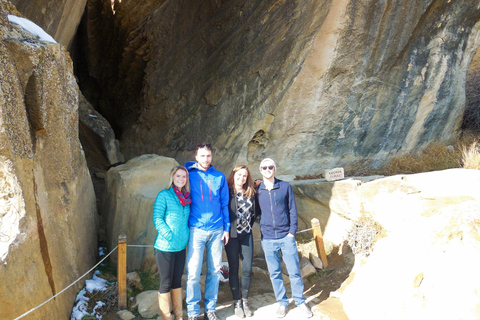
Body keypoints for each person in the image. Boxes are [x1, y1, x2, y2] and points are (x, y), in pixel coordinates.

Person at [256, 158, 313, 318]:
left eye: (271, 167)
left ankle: (300, 301)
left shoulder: (285, 186)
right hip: (267, 238)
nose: (268, 169)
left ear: (275, 169)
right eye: (264, 167)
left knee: (294, 271)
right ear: (260, 170)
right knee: (274, 273)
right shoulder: (257, 190)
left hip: (286, 236)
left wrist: (291, 232)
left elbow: (293, 210)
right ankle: (282, 303)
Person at [185, 144, 230, 320]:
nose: (206, 159)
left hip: (217, 229)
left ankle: (210, 309)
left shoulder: (219, 177)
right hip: (196, 229)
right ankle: (193, 311)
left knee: (214, 271)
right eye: (202, 156)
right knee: (193, 272)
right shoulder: (189, 175)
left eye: (208, 156)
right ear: (196, 157)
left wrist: (226, 227)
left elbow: (225, 204)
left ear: (212, 157)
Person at [153, 166, 191, 320]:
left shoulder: (187, 198)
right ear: (172, 177)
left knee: (177, 280)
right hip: (165, 247)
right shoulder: (164, 195)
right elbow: (157, 218)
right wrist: (169, 235)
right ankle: (166, 316)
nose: (181, 179)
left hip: (181, 247)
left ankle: (179, 315)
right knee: (166, 282)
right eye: (178, 176)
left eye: (184, 177)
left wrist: (185, 236)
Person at [225, 165, 257, 318]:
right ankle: (236, 301)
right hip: (231, 237)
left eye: (244, 176)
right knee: (233, 268)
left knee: (247, 269)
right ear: (233, 175)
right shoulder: (227, 191)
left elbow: (255, 213)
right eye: (239, 175)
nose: (242, 178)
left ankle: (245, 300)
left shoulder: (251, 192)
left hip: (246, 235)